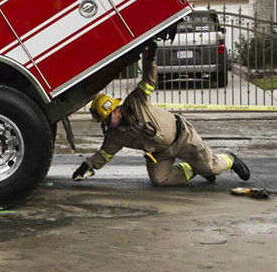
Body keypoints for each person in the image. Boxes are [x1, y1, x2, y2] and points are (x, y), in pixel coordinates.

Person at [73, 41, 250, 186]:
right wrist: (86, 167)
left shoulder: (136, 101)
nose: (106, 124)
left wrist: (150, 59)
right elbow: (104, 154)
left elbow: (149, 81)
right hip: (160, 153)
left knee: (211, 168)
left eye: (107, 118)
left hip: (182, 138)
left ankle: (230, 159)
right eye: (103, 121)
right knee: (159, 180)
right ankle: (195, 169)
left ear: (115, 110)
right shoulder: (114, 136)